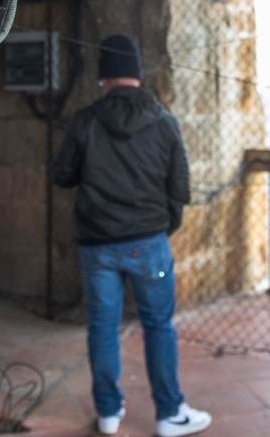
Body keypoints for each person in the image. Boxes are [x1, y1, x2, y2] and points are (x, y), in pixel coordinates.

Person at [52, 34, 212, 437]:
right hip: (148, 242)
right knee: (159, 326)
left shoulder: (86, 120)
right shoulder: (164, 120)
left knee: (102, 328)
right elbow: (181, 188)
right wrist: (162, 227)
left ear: (103, 76)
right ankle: (170, 414)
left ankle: (108, 413)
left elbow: (63, 175)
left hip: (96, 244)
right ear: (138, 74)